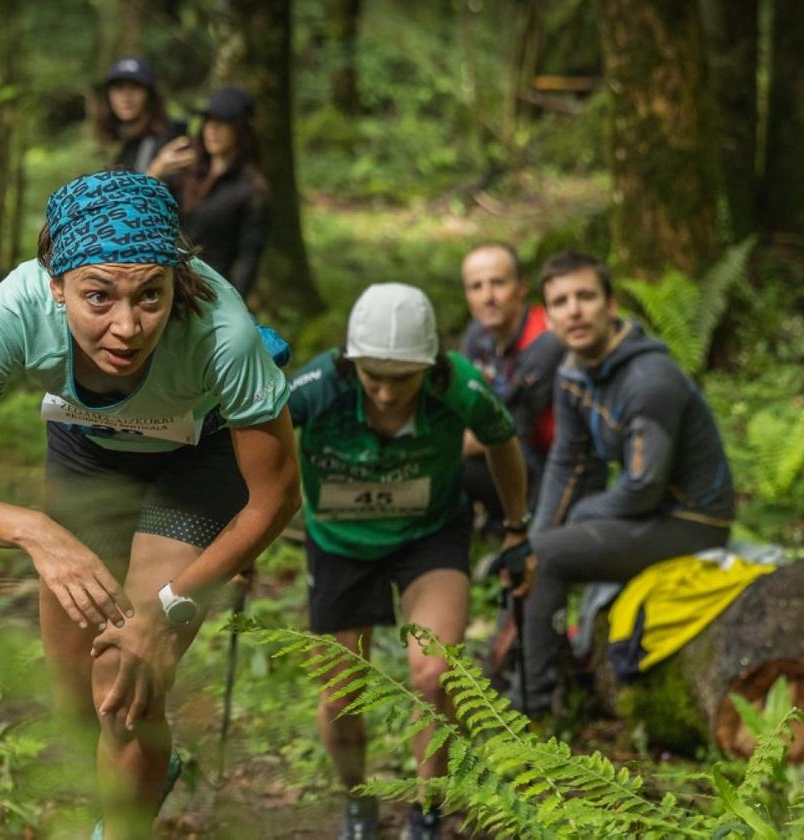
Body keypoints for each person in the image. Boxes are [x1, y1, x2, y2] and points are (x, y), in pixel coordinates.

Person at [0, 170, 301, 839]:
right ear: (55, 285)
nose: (127, 326)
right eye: (98, 297)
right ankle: (134, 785)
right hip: (89, 453)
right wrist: (36, 533)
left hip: (197, 462)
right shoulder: (16, 311)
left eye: (151, 295)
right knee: (75, 693)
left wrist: (171, 608)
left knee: (125, 684)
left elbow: (275, 499)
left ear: (176, 279)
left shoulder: (220, 333)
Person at [287, 284, 529, 840]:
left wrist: (517, 527)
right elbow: (253, 434)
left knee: (437, 673)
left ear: (430, 366)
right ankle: (357, 803)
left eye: (404, 378)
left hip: (429, 534)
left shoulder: (458, 384)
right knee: (343, 693)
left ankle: (426, 812)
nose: (389, 393)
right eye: (374, 376)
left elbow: (503, 444)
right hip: (340, 542)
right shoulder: (316, 387)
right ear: (351, 363)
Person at [497, 251, 735, 713]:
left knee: (544, 558)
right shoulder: (572, 373)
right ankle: (517, 669)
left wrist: (561, 534)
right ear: (548, 318)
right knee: (534, 553)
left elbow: (643, 489)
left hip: (690, 521)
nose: (575, 310)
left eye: (586, 296)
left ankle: (530, 712)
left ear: (611, 305)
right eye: (561, 301)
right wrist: (533, 539)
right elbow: (568, 465)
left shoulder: (649, 380)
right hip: (642, 514)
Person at [459, 242, 563, 534]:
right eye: (476, 287)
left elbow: (509, 428)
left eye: (498, 283)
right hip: (500, 453)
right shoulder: (476, 335)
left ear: (520, 288)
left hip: (547, 467)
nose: (487, 297)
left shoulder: (546, 340)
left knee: (448, 463)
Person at [173, 86, 271, 301]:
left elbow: (248, 259)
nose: (212, 130)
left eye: (222, 123)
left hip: (211, 296)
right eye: (208, 121)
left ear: (241, 130)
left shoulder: (251, 189)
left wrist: (235, 305)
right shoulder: (188, 173)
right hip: (170, 286)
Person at [95, 56, 194, 181]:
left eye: (134, 87)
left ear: (150, 95)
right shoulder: (127, 144)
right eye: (119, 88)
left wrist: (156, 172)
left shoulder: (169, 138)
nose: (126, 96)